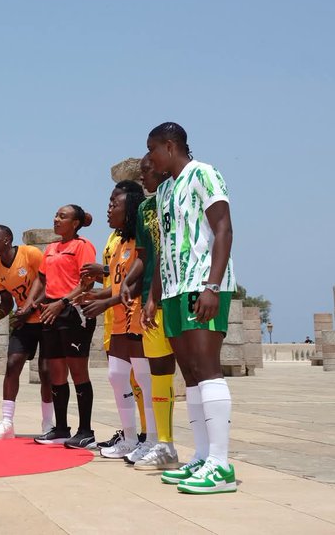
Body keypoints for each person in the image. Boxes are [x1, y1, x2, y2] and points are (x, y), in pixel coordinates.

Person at [143, 122, 238, 494]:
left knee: (208, 369)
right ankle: (201, 455)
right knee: (192, 375)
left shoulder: (205, 173)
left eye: (152, 149)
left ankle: (221, 464)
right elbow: (164, 247)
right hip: (173, 288)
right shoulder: (165, 189)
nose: (149, 158)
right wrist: (155, 295)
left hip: (202, 284)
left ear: (170, 146)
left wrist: (212, 286)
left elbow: (223, 229)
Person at [80, 181, 156, 463]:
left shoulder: (139, 239)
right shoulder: (120, 241)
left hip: (137, 316)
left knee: (144, 381)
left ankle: (153, 439)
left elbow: (137, 283)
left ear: (130, 208)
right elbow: (116, 284)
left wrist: (105, 302)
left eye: (115, 203)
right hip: (118, 320)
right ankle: (130, 437)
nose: (109, 208)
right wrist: (93, 296)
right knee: (116, 377)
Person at [123, 155, 180, 471]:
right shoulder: (146, 208)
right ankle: (165, 444)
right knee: (158, 371)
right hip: (150, 300)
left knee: (194, 372)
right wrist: (130, 280)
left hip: (179, 292)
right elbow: (146, 255)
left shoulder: (180, 194)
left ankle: (205, 452)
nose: (142, 176)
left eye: (147, 170)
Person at [0, 225, 49, 441]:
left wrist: (31, 306)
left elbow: (49, 284)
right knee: (12, 365)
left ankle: (48, 423)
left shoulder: (30, 253)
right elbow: (7, 302)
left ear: (7, 239)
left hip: (46, 319)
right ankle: (7, 423)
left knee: (46, 372)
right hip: (24, 322)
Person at [39, 205, 98, 449]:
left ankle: (86, 431)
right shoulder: (51, 248)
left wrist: (62, 302)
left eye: (62, 216)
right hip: (51, 312)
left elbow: (87, 282)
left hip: (74, 312)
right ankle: (61, 428)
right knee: (56, 372)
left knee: (78, 371)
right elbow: (43, 279)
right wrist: (40, 302)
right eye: (56, 215)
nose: (56, 219)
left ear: (75, 223)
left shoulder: (82, 246)